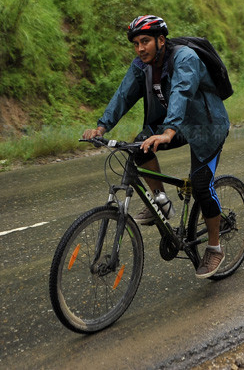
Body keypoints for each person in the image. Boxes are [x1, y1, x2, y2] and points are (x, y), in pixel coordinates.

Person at [81, 15, 231, 278]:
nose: (140, 48)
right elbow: (123, 94)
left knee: (200, 184)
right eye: (137, 43)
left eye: (146, 41)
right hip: (176, 124)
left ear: (161, 40)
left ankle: (215, 247)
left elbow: (182, 91)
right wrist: (101, 126)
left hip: (207, 126)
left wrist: (170, 130)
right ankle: (161, 200)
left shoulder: (185, 58)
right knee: (139, 147)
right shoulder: (142, 65)